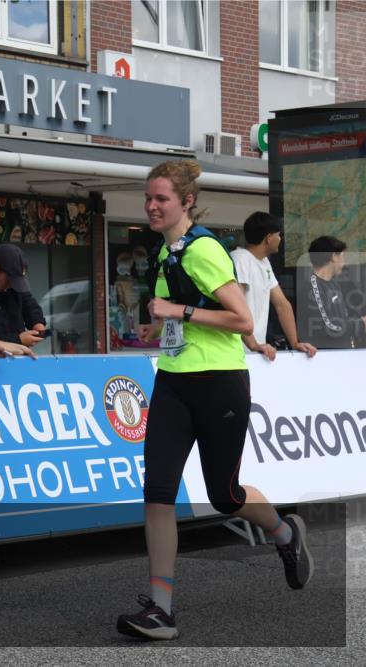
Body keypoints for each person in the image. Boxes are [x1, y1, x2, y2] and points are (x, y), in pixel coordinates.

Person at [118, 160, 312, 641]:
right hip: (174, 381)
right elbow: (181, 322)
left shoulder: (203, 249)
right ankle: (161, 609)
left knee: (225, 496)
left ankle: (285, 533)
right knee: (158, 491)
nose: (151, 206)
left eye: (161, 198)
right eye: (148, 198)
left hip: (220, 383)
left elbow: (243, 320)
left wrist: (176, 310)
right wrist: (158, 328)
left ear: (185, 202)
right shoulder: (167, 255)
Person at [230, 212, 317, 361]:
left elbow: (282, 304)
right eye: (279, 235)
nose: (280, 239)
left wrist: (295, 343)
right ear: (269, 238)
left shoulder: (264, 262)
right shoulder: (240, 259)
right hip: (238, 353)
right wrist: (253, 345)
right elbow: (235, 307)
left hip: (258, 351)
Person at [298, 235, 365, 349]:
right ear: (334, 256)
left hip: (342, 355)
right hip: (325, 359)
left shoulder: (334, 284)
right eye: (343, 257)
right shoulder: (312, 287)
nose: (344, 263)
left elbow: (342, 319)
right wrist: (361, 324)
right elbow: (327, 327)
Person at [0, 244, 48, 348]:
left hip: (20, 358)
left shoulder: (15, 289)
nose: (11, 285)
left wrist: (37, 323)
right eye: (9, 280)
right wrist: (18, 340)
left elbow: (29, 303)